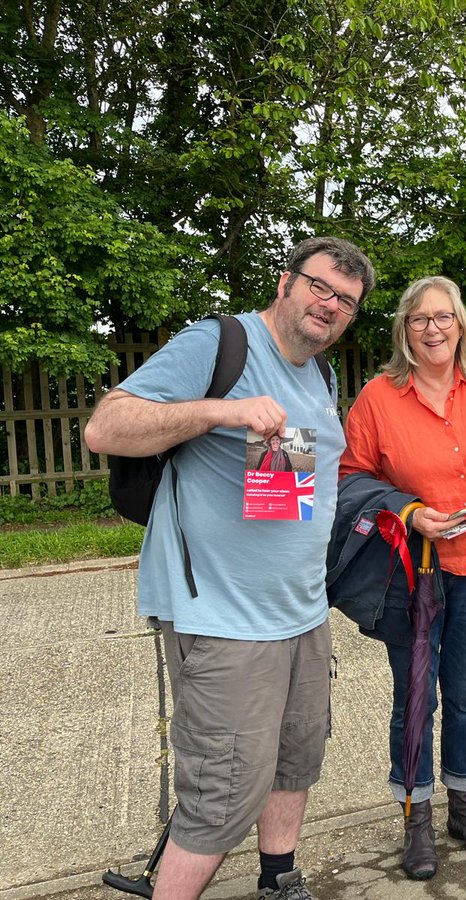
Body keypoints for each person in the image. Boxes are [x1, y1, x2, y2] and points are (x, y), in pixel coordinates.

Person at [84, 237, 375, 900]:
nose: (329, 306)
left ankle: (279, 881)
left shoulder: (319, 374)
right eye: (320, 287)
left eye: (346, 302)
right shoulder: (220, 344)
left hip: (300, 613)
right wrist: (225, 410)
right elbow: (106, 426)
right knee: (221, 793)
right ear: (286, 282)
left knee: (294, 761)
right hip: (223, 619)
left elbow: (284, 498)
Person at [339, 275, 466, 880]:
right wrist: (412, 512)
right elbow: (348, 478)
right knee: (415, 695)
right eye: (420, 320)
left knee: (465, 696)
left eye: (444, 317)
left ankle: (465, 808)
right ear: (404, 331)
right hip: (411, 573)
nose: (434, 328)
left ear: (461, 324)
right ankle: (416, 817)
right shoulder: (378, 397)